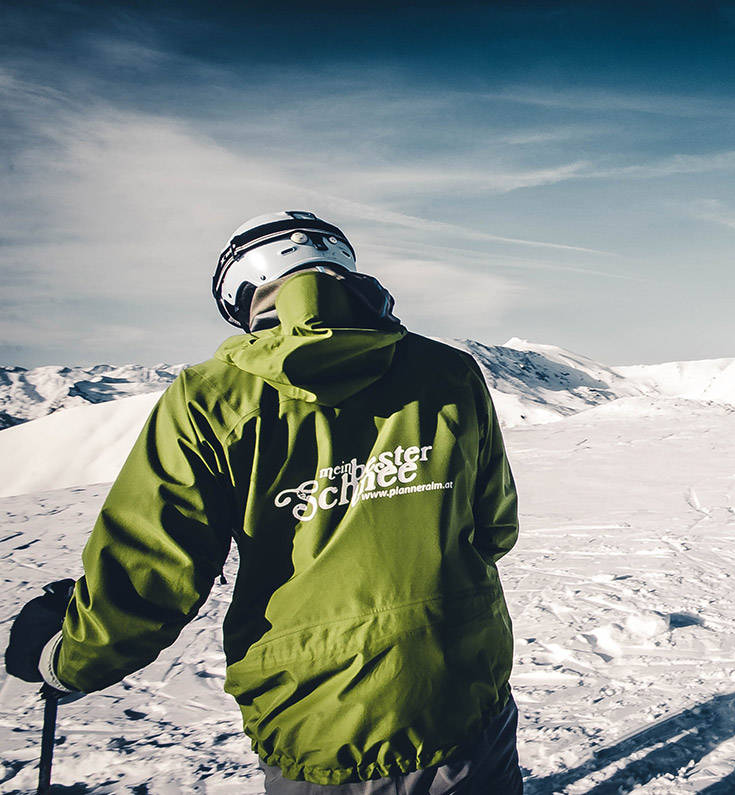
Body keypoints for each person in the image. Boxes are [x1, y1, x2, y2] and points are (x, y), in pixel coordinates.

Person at [4, 210, 522, 793]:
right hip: (464, 687)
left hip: (318, 715)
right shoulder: (450, 371)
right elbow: (495, 526)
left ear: (244, 296)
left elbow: (153, 571)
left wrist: (66, 655)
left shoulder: (210, 397)